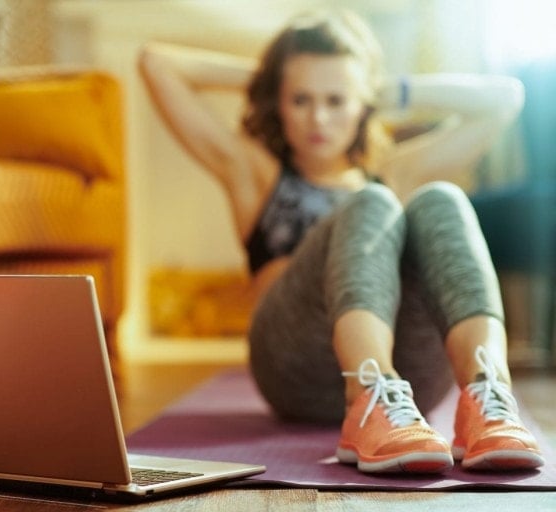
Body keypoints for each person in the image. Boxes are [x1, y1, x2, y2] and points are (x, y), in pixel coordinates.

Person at [138, 8, 544, 474]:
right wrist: (272, 76)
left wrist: (384, 89)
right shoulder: (254, 172)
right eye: (300, 99)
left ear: (362, 104)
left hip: (411, 383)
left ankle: (487, 392)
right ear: (279, 102)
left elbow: (506, 99)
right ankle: (367, 391)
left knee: (441, 198)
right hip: (294, 367)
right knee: (371, 201)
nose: (319, 117)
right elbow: (156, 64)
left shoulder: (393, 170)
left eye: (336, 100)